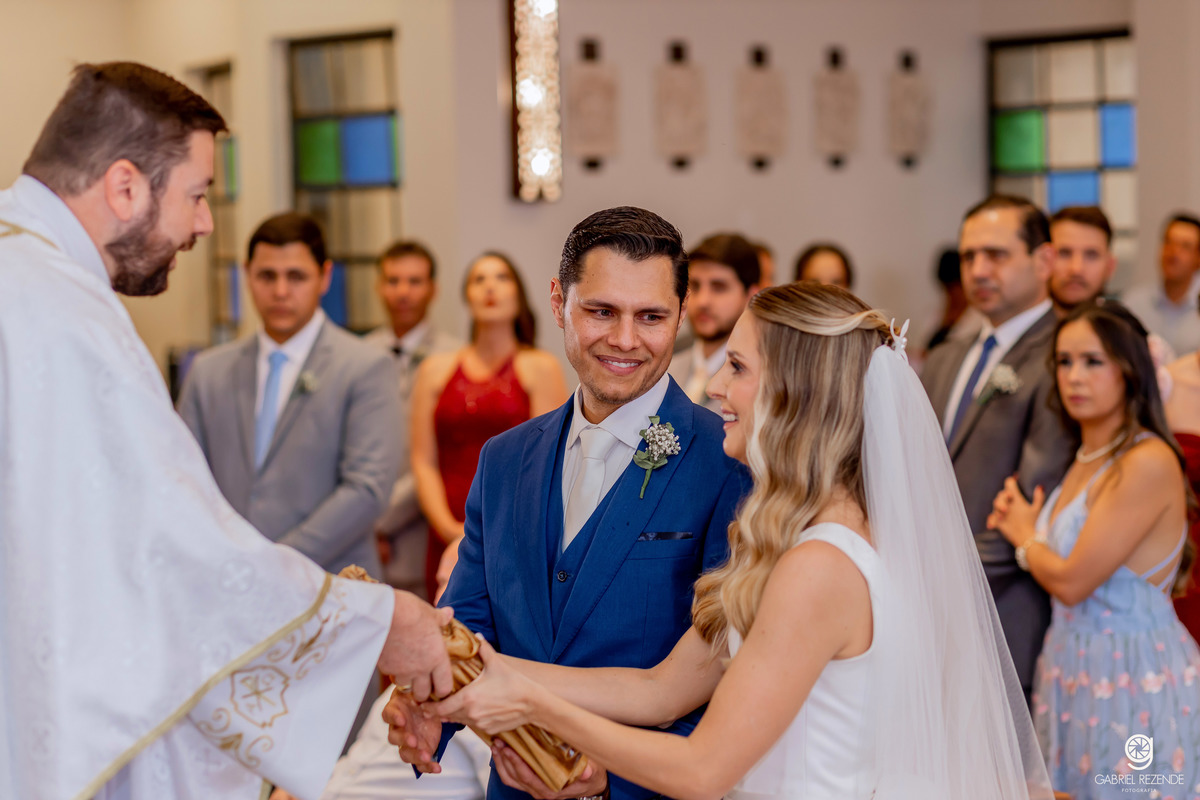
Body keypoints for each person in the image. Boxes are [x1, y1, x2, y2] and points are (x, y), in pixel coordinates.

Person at [0, 61, 451, 800]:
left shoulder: (24, 276)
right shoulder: (66, 319)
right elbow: (167, 541)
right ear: (124, 187)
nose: (205, 223)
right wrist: (376, 620)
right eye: (197, 193)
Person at [423, 282, 1053, 800]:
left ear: (794, 395)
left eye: (738, 367)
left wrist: (527, 701)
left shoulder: (822, 566)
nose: (715, 387)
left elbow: (702, 771)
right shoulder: (793, 543)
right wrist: (473, 666)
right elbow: (658, 691)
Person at [388, 206, 752, 800]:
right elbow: (470, 620)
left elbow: (735, 675)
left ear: (681, 315)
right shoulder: (504, 459)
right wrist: (434, 710)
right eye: (601, 311)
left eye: (651, 317)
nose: (625, 340)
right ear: (559, 302)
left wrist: (615, 778)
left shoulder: (727, 461)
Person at [989, 301, 1200, 798]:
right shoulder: (1085, 455)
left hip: (1132, 674)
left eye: (1092, 361)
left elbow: (1071, 581)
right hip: (1074, 664)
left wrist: (1024, 535)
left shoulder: (1146, 460)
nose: (1074, 377)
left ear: (1129, 370)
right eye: (1064, 362)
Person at [178, 213, 402, 580]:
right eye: (267, 276)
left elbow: (367, 489)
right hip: (227, 578)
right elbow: (184, 477)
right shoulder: (209, 371)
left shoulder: (366, 367)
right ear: (247, 274)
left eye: (296, 277)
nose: (280, 291)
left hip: (331, 583)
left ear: (324, 277)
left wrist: (275, 562)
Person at [921, 194, 1076, 700]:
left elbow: (1034, 500)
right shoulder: (947, 356)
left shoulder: (1064, 356)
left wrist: (937, 577)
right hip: (929, 614)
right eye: (969, 257)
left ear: (1044, 260)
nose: (979, 270)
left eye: (996, 255)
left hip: (1006, 610)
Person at [411, 252, 568, 600]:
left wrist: (487, 533)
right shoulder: (434, 370)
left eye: (502, 277)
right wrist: (449, 529)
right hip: (445, 524)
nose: (490, 287)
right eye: (479, 279)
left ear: (519, 295)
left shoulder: (540, 367)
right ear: (466, 295)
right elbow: (423, 461)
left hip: (514, 528)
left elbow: (547, 464)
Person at [365, 240, 461, 596]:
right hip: (361, 532)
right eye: (393, 281)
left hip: (426, 528)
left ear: (433, 288)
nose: (403, 292)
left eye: (414, 281)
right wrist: (364, 524)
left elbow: (435, 454)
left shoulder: (455, 356)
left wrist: (383, 522)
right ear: (379, 286)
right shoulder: (360, 355)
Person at [668, 233, 760, 413]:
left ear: (751, 296)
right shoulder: (665, 370)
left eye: (719, 287)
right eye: (695, 286)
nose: (703, 301)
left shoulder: (761, 379)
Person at [1122, 213, 1200, 356]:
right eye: (1168, 242)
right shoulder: (1134, 304)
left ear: (1198, 257)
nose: (1174, 252)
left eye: (1185, 246)